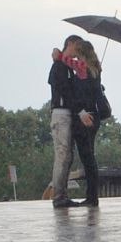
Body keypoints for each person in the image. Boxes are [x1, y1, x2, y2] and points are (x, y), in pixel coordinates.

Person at [48, 34, 84, 208]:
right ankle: (59, 195)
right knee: (63, 156)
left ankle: (61, 194)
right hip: (62, 114)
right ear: (70, 44)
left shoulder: (65, 66)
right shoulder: (60, 67)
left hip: (63, 113)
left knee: (66, 156)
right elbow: (65, 91)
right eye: (78, 47)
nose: (79, 51)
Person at [69, 39, 105, 207]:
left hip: (85, 117)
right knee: (90, 157)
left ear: (82, 52)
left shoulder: (83, 69)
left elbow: (64, 60)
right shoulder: (95, 69)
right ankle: (92, 196)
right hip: (95, 116)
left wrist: (59, 54)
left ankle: (92, 197)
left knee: (87, 158)